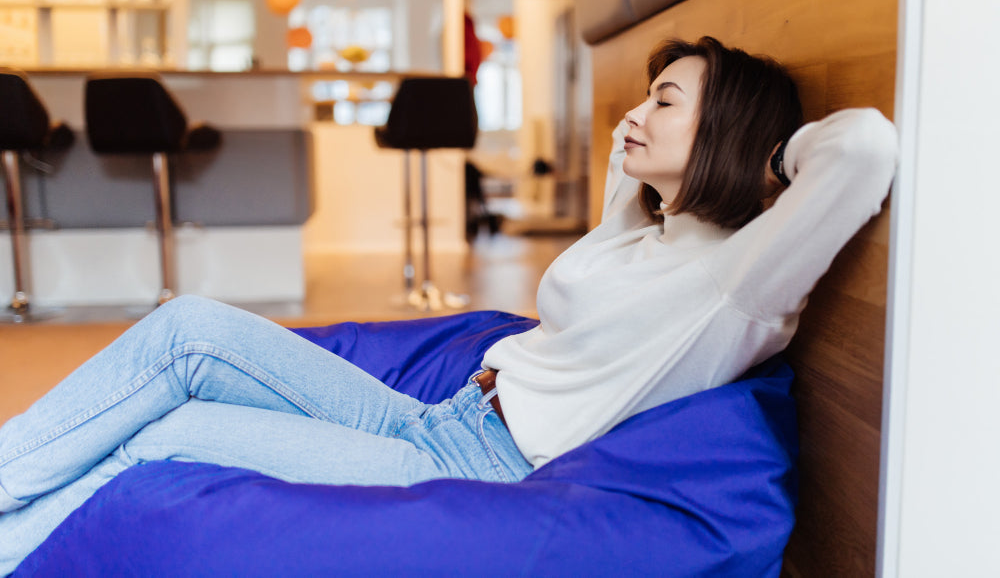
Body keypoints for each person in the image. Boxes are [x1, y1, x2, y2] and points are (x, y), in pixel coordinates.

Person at [0, 36, 898, 573]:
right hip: (437, 413)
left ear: (729, 129)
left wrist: (769, 156)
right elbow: (626, 167)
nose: (632, 116)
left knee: (165, 440)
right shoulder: (643, 231)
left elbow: (862, 148)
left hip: (469, 464)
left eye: (664, 99)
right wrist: (669, 133)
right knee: (188, 333)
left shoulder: (733, 285)